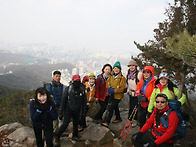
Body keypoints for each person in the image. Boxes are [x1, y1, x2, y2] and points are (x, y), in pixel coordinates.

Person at [54, 74, 86, 144]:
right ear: (72, 81)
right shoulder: (68, 89)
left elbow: (84, 102)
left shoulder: (82, 90)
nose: (77, 82)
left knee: (76, 123)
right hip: (68, 109)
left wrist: (83, 112)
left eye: (78, 80)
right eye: (75, 80)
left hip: (77, 110)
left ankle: (75, 135)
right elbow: (63, 101)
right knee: (65, 124)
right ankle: (57, 136)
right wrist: (60, 112)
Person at [101, 61, 126, 127]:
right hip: (112, 95)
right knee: (115, 107)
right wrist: (110, 88)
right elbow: (107, 84)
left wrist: (114, 90)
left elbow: (122, 88)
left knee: (111, 108)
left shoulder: (122, 78)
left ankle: (107, 122)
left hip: (118, 96)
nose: (116, 69)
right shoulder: (111, 76)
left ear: (120, 69)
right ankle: (118, 118)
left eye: (118, 68)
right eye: (115, 68)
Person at [126, 59, 142, 127]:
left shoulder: (138, 74)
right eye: (130, 66)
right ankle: (129, 120)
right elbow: (127, 84)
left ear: (136, 66)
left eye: (133, 65)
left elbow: (141, 84)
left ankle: (135, 120)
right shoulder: (128, 74)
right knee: (131, 107)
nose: (132, 67)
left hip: (137, 94)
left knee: (135, 108)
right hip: (131, 93)